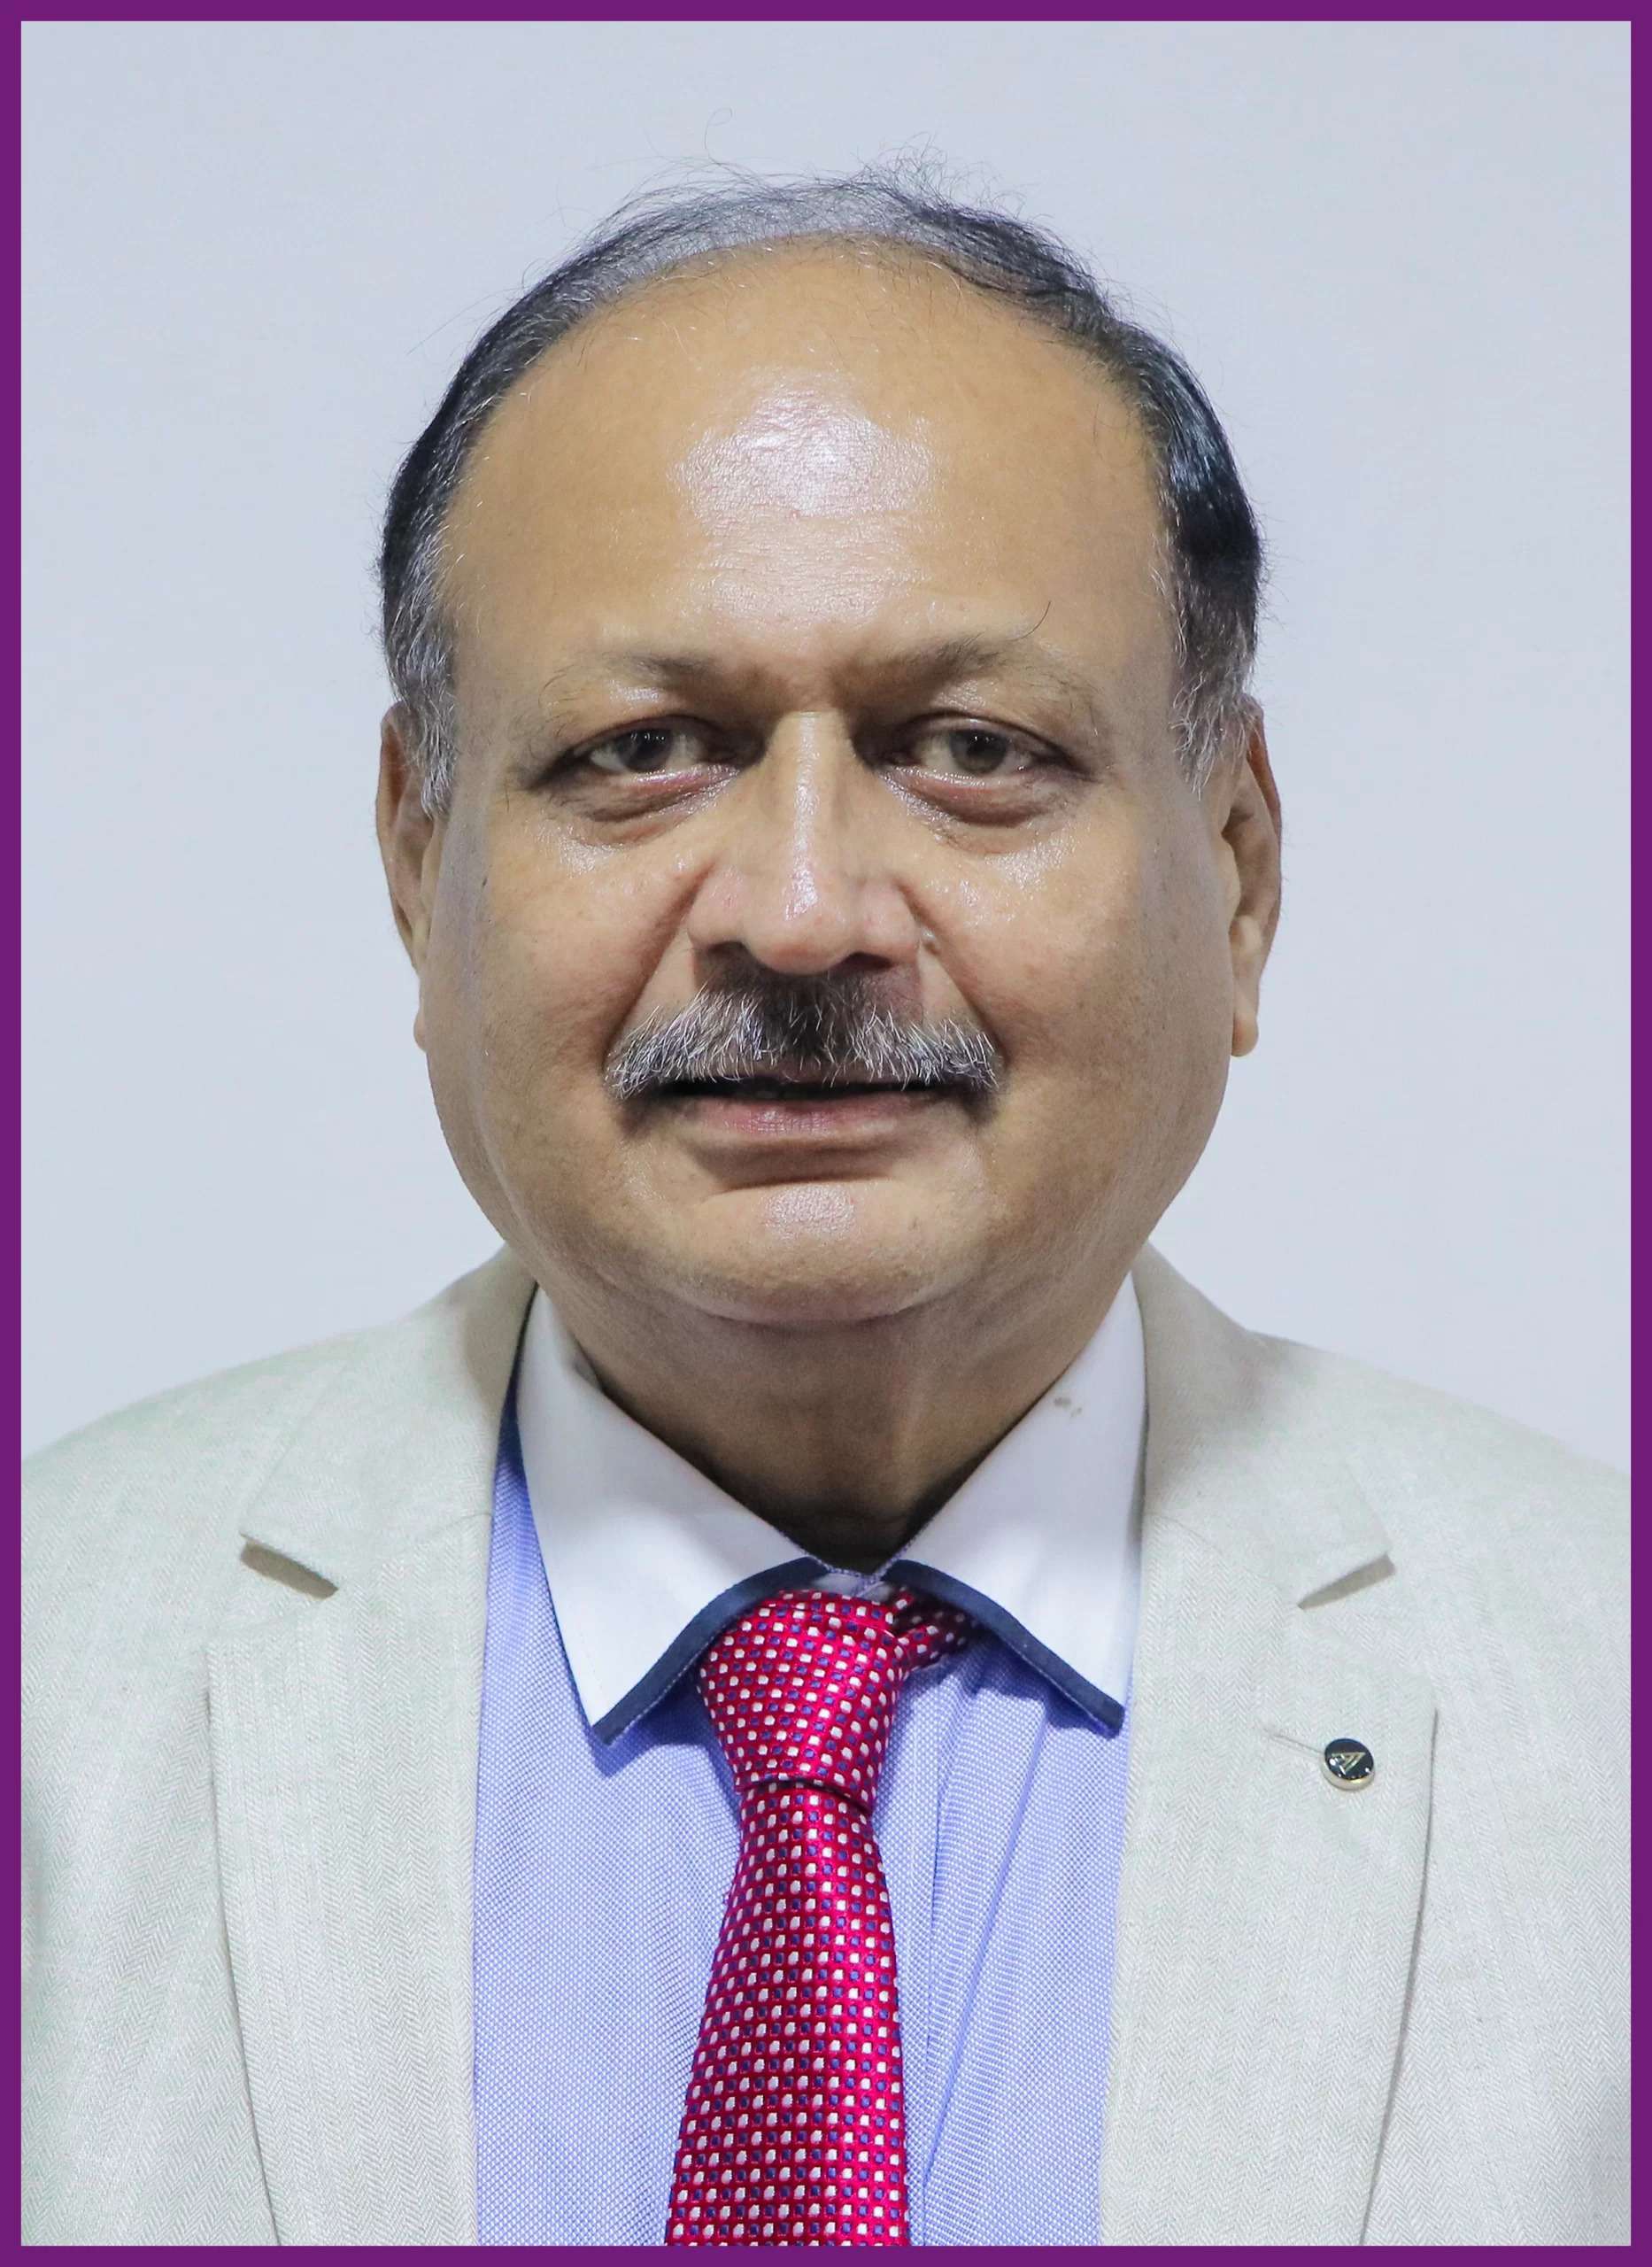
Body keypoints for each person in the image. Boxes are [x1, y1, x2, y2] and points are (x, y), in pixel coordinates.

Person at [23, 166, 1626, 2248]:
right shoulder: (52, 1670)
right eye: (645, 748)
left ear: (1237, 870)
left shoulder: (1603, 1693)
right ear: (419, 864)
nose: (799, 912)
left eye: (971, 747)